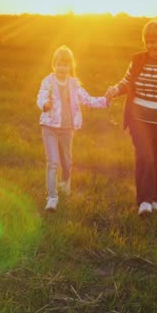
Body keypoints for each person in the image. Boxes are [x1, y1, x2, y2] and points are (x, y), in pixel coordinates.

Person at [105, 20, 157, 216]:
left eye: (155, 41)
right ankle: (144, 200)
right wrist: (116, 89)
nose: (151, 46)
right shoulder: (138, 61)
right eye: (147, 41)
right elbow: (126, 83)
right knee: (145, 157)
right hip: (138, 119)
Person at [36, 45, 109, 212]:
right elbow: (41, 96)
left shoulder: (74, 84)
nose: (62, 68)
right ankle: (52, 198)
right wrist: (44, 105)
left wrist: (105, 100)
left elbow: (88, 99)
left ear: (70, 67)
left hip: (68, 129)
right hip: (50, 127)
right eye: (59, 64)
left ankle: (65, 182)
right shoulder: (47, 81)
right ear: (54, 64)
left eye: (66, 64)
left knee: (67, 163)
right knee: (53, 162)